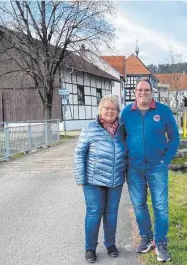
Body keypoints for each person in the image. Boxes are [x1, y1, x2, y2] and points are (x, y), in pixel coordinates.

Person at [120, 78, 180, 262]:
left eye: (146, 90)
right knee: (139, 204)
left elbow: (174, 138)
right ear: (135, 92)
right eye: (140, 90)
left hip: (157, 167)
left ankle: (161, 242)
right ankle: (146, 237)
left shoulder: (163, 111)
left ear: (152, 92)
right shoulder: (127, 113)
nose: (143, 93)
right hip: (134, 168)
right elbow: (120, 138)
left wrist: (165, 160)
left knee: (160, 206)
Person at [74, 95, 126, 263]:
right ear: (100, 110)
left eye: (113, 109)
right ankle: (90, 248)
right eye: (107, 108)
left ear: (118, 112)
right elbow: (79, 153)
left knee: (111, 213)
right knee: (94, 212)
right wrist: (80, 176)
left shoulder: (123, 129)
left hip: (115, 179)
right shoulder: (90, 128)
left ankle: (110, 244)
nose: (110, 111)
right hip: (93, 180)